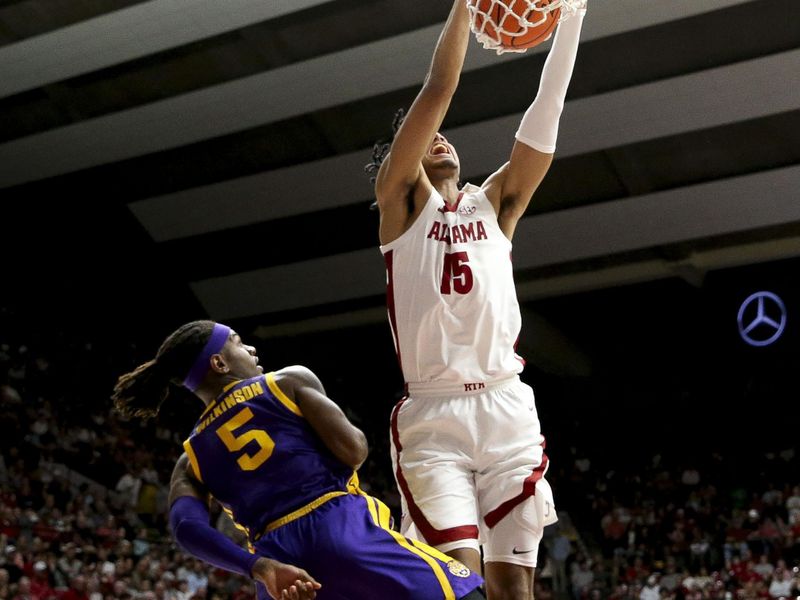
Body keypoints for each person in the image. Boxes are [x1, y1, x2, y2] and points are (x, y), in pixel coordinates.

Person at [367, 0, 587, 598]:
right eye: (424, 138)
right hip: (434, 418)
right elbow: (439, 88)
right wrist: (465, 6)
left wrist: (570, 24)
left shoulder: (495, 204)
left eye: (445, 136)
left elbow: (544, 122)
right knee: (458, 580)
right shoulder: (402, 206)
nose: (438, 138)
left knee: (514, 589)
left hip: (506, 407)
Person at [112, 320, 485, 600]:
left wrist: (259, 567)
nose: (252, 351)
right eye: (240, 344)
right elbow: (354, 451)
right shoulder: (285, 382)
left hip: (282, 570)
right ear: (220, 364)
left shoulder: (189, 458)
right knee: (466, 590)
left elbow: (185, 529)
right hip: (342, 532)